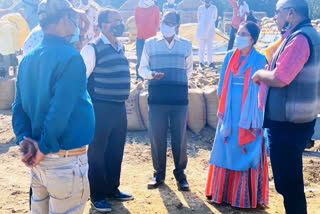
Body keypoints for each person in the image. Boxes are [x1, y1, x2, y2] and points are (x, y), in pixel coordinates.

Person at [12, 0, 95, 213]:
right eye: (73, 18)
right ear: (64, 19)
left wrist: (26, 143)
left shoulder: (28, 58)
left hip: (40, 162)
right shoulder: (70, 58)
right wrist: (44, 146)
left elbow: (18, 107)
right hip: (65, 161)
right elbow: (59, 111)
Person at [252, 0, 320, 213]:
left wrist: (260, 74)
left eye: (277, 12)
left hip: (288, 124)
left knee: (288, 184)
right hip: (298, 119)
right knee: (290, 182)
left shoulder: (300, 39)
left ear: (290, 13)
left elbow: (281, 78)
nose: (275, 17)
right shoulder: (305, 34)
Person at [205, 21, 269, 208]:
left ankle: (243, 197)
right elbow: (221, 86)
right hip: (229, 111)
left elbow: (262, 89)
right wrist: (222, 111)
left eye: (243, 33)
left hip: (249, 113)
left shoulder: (259, 59)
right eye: (238, 32)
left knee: (247, 148)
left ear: (252, 39)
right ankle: (221, 193)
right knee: (225, 148)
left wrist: (256, 114)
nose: (238, 36)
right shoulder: (228, 57)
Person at [81, 8, 132, 212]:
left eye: (120, 20)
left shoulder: (121, 47)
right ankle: (97, 194)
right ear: (102, 25)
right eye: (114, 21)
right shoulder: (92, 48)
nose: (119, 24)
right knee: (97, 152)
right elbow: (81, 80)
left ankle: (112, 188)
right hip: (99, 107)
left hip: (119, 107)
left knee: (115, 149)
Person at [139, 10, 193, 191]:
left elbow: (189, 71)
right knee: (157, 138)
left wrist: (175, 81)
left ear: (177, 25)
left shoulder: (186, 45)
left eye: (170, 22)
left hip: (179, 100)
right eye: (164, 21)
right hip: (157, 99)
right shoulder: (150, 44)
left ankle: (180, 175)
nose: (166, 25)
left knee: (180, 139)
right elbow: (142, 69)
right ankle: (158, 174)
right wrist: (151, 75)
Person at [134, 0, 160, 80]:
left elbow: (157, 23)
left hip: (151, 38)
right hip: (140, 37)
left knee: (151, 57)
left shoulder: (155, 8)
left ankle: (150, 74)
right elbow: (136, 21)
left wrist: (151, 31)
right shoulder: (138, 8)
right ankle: (139, 75)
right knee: (140, 57)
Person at [196, 0, 218, 69]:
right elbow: (198, 18)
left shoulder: (214, 8)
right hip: (201, 30)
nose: (207, 2)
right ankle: (201, 62)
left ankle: (210, 62)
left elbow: (215, 18)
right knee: (201, 48)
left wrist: (209, 24)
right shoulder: (200, 8)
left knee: (209, 47)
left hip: (210, 30)